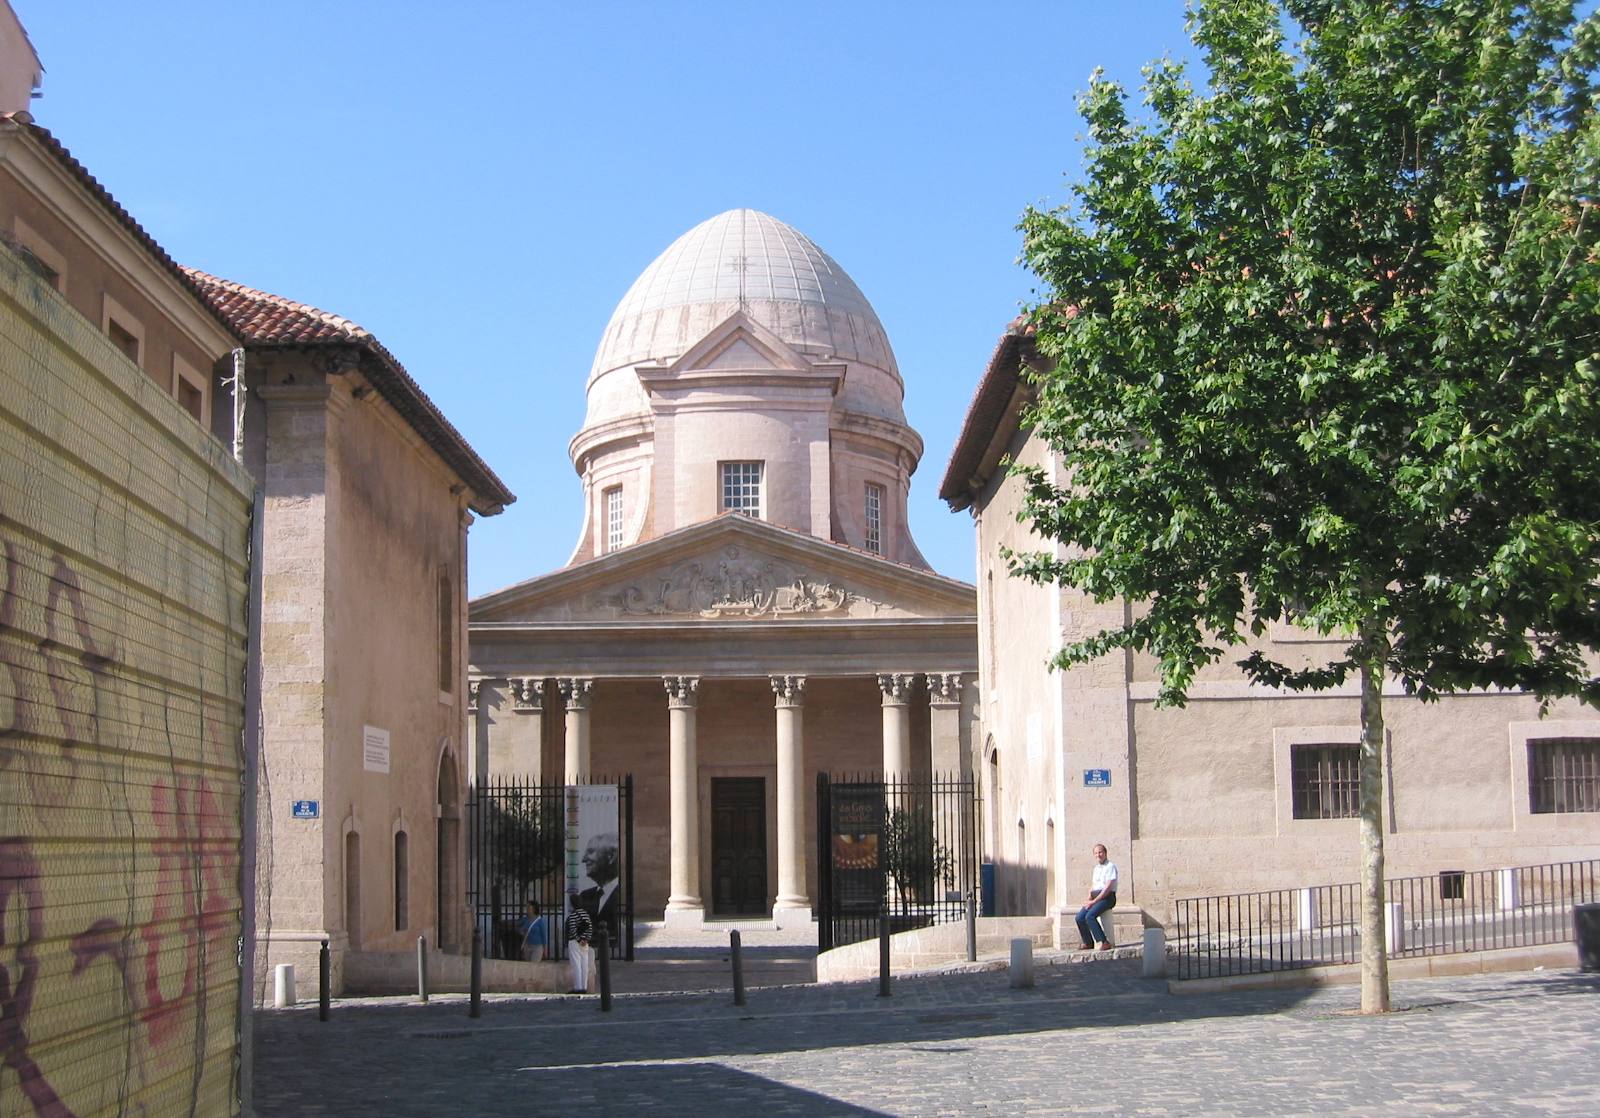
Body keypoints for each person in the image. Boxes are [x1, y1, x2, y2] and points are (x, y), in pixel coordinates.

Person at [574, 831, 621, 939]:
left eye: (590, 852)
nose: (583, 859)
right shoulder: (585, 895)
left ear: (611, 856)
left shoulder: (618, 894)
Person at [1075, 843, 1119, 950]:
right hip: (1096, 897)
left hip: (1107, 897)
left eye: (1100, 852)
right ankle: (1088, 942)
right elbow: (1094, 885)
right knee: (1080, 917)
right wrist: (1089, 899)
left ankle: (1104, 942)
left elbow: (1107, 888)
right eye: (1096, 853)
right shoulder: (1096, 868)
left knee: (1090, 916)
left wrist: (1094, 902)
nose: (1098, 855)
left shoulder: (1111, 867)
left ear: (1105, 853)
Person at [564, 901, 594, 993]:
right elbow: (590, 928)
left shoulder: (573, 915)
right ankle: (584, 987)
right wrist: (585, 939)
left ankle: (578, 987)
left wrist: (578, 939)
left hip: (574, 942)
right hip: (585, 943)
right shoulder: (586, 915)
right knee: (584, 965)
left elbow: (572, 929)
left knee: (576, 965)